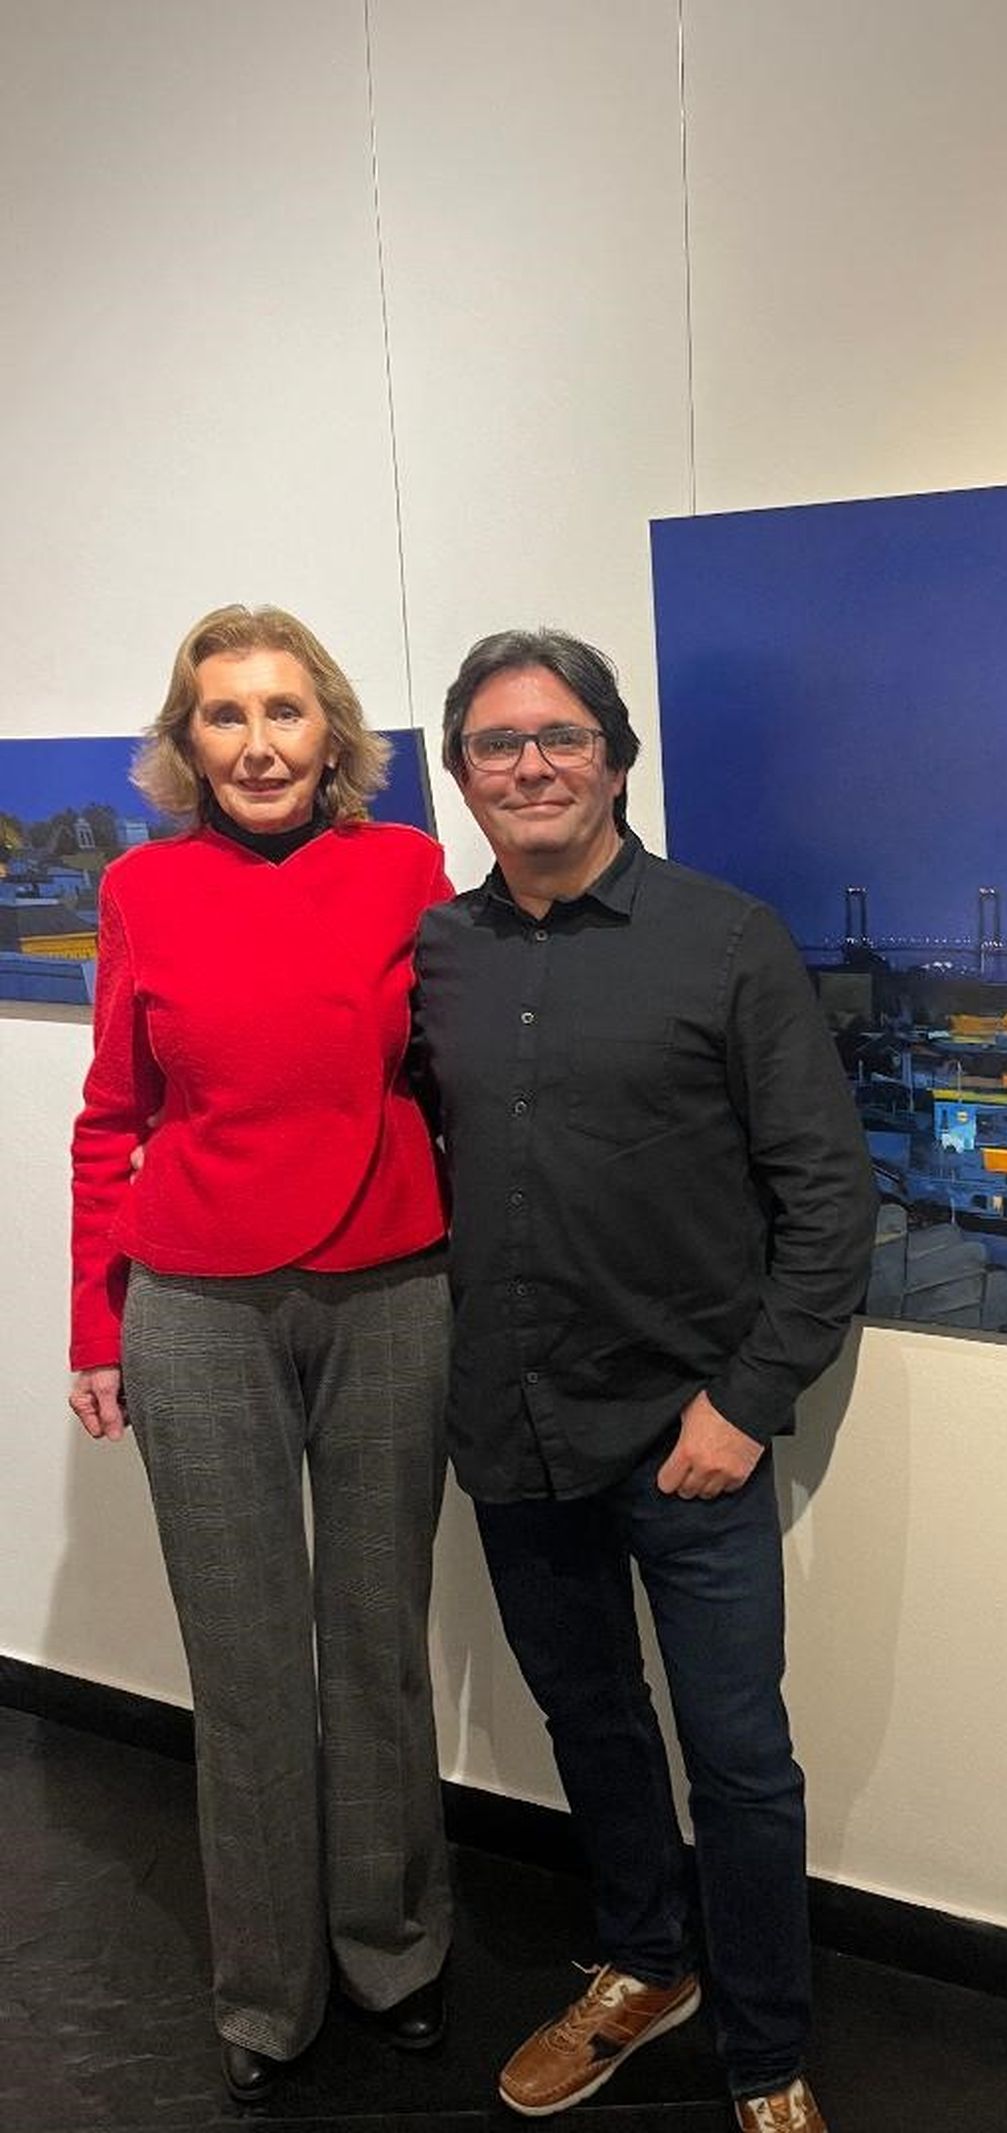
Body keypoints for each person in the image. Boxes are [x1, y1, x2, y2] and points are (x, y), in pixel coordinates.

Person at [410, 630, 877, 2133]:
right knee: (591, 1723)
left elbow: (829, 1202)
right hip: (512, 1417)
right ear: (462, 775)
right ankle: (641, 1965)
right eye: (497, 744)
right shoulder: (439, 953)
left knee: (740, 1757)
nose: (531, 765)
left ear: (615, 755)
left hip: (690, 1434)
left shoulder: (726, 939)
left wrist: (745, 1403)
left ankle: (765, 2055)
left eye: (559, 737)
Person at [68, 606, 454, 2103]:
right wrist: (99, 1323)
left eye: (284, 710)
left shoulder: (407, 872)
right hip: (198, 1306)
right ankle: (268, 1990)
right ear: (188, 742)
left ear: (332, 732)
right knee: (241, 1670)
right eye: (223, 715)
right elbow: (111, 1118)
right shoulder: (141, 889)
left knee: (376, 1641)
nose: (258, 741)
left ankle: (394, 1948)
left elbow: (456, 1075)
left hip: (389, 1293)